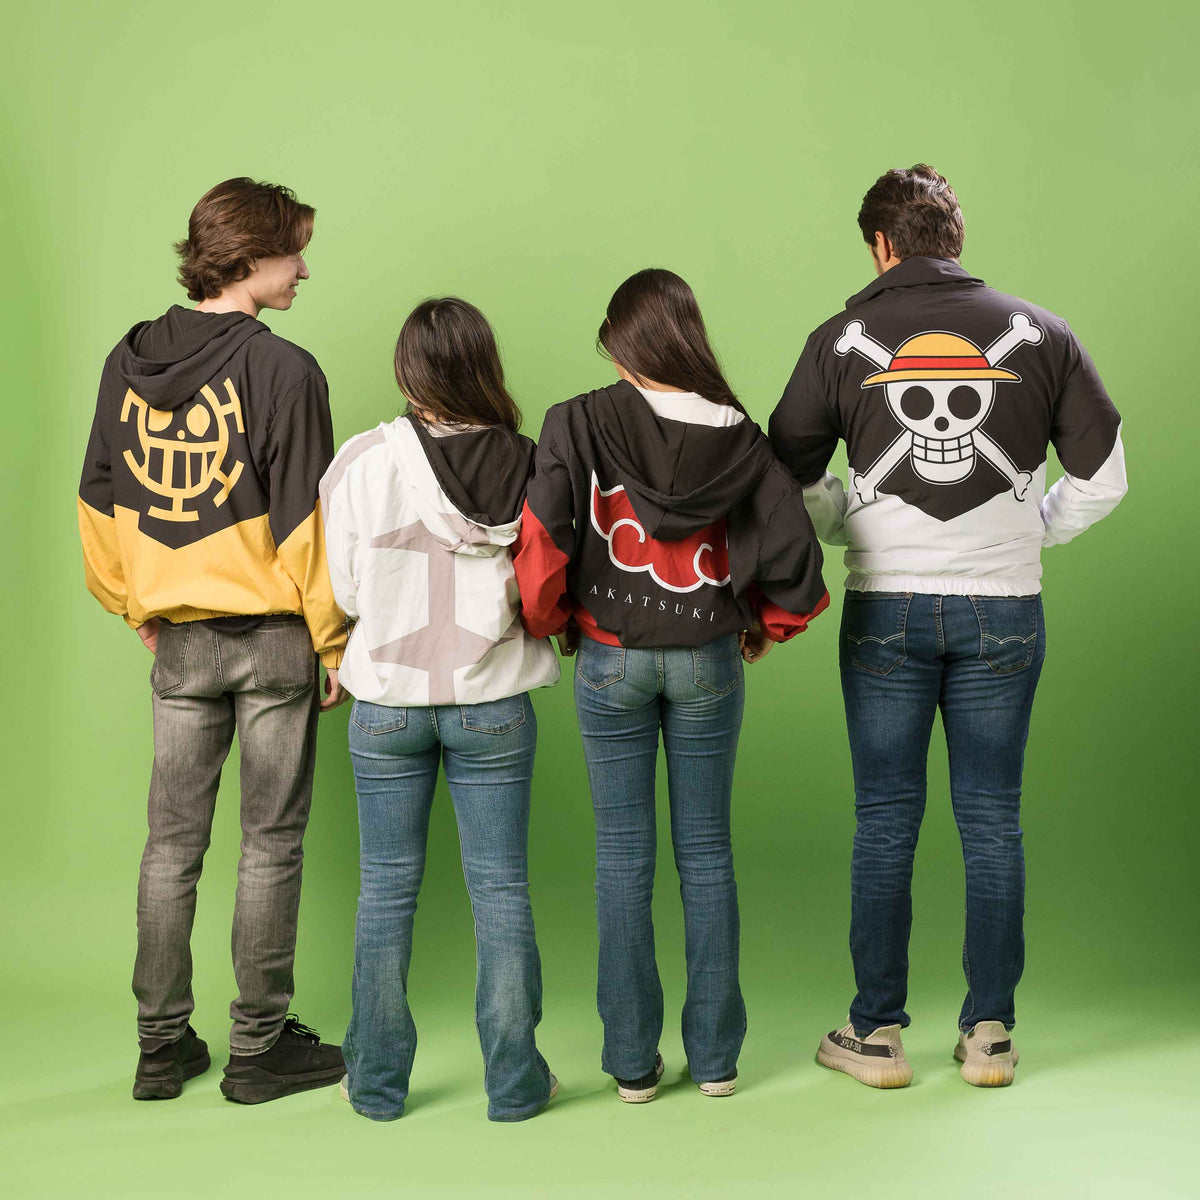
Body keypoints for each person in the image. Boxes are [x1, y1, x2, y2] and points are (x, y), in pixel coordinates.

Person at [768, 164, 1128, 1088]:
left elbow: (786, 472)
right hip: (1005, 608)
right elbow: (1104, 478)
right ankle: (990, 1034)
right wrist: (1029, 532)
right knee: (993, 819)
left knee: (885, 821)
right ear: (955, 240)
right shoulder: (1045, 334)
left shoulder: (838, 339)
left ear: (881, 246)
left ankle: (875, 1035)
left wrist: (847, 521)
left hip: (885, 605)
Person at [515, 269, 828, 1102]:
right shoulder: (741, 435)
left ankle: (630, 1064)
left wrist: (553, 619)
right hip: (707, 658)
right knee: (708, 855)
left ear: (621, 343)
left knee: (622, 859)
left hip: (610, 656)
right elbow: (791, 545)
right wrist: (765, 622)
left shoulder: (576, 419)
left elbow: (541, 535)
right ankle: (717, 1060)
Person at [77, 177, 349, 1104]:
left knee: (170, 847)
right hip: (275, 638)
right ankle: (258, 1050)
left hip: (181, 640)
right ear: (249, 257)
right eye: (293, 253)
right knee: (269, 845)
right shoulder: (286, 371)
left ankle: (161, 1048)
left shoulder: (127, 359)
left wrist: (136, 604)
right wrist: (334, 642)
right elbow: (306, 524)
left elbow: (99, 496)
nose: (303, 270)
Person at [322, 297, 561, 1122]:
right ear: (484, 365)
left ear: (408, 368)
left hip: (387, 700)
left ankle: (376, 1083)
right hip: (491, 700)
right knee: (501, 891)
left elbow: (344, 588)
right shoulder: (531, 463)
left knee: (385, 894)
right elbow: (547, 578)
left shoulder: (361, 460)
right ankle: (516, 1083)